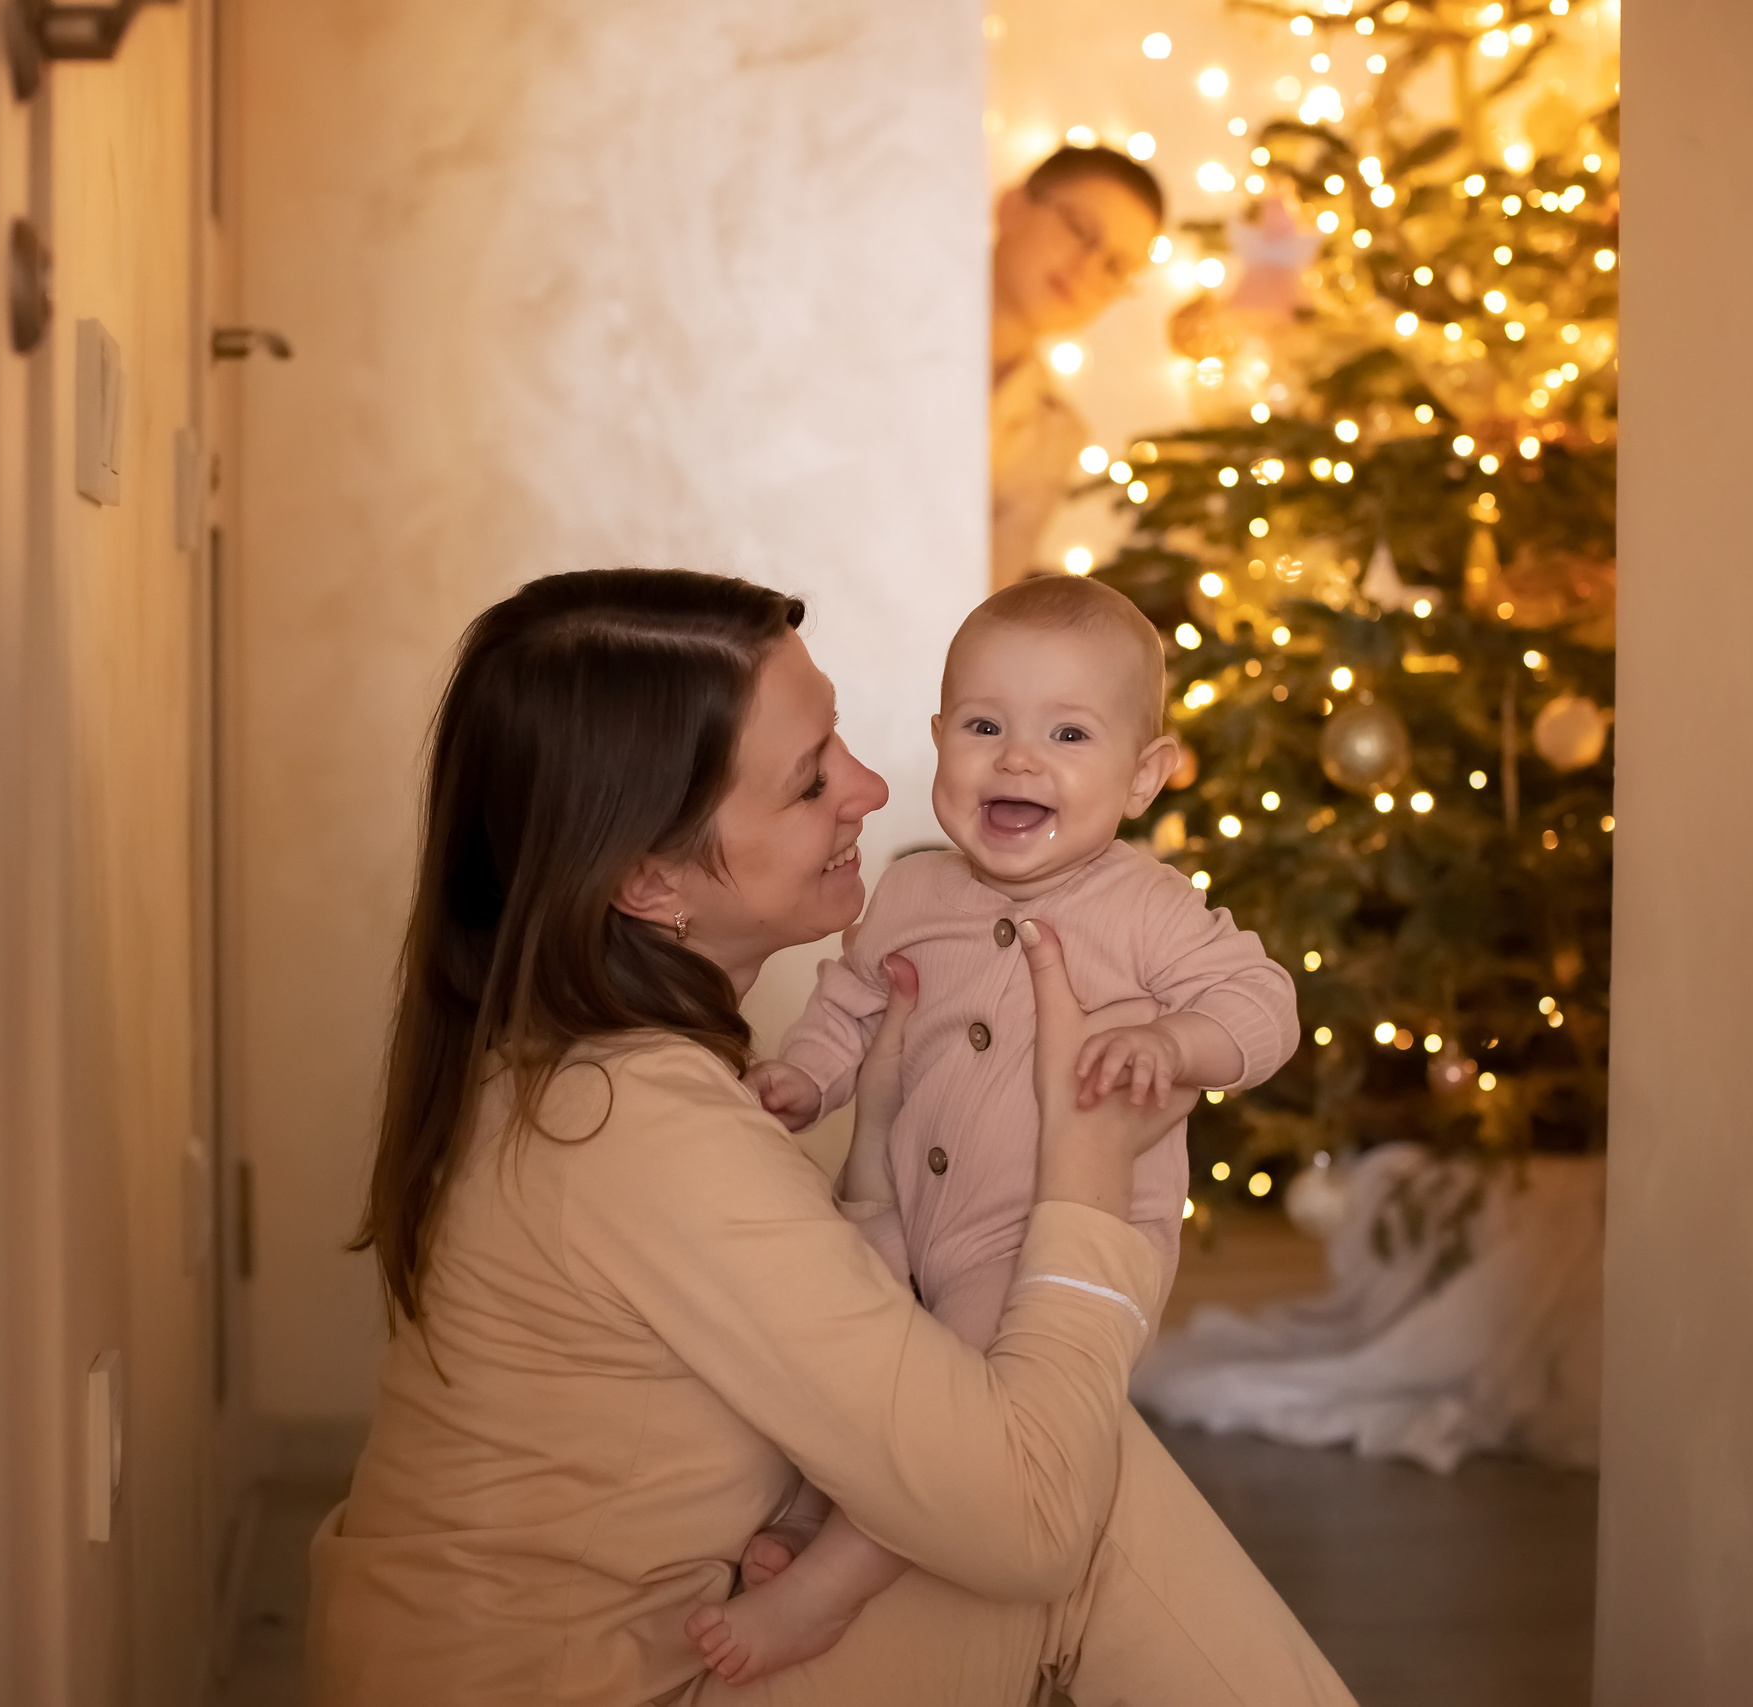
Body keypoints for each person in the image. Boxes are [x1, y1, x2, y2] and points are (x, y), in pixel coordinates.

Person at [310, 569, 1351, 1706]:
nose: (868, 787)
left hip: (561, 1657)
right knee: (1072, 1487)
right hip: (598, 1687)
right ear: (649, 880)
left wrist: (877, 1159)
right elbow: (1032, 1517)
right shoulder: (637, 1128)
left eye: (841, 741)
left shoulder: (577, 1070)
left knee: (1029, 1450)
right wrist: (1088, 1170)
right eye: (811, 779)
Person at [690, 574, 1297, 1683]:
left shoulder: (1146, 908)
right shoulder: (912, 892)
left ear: (1145, 774)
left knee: (962, 1417)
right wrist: (806, 1079)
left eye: (1068, 734)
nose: (1018, 760)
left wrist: (1173, 1043)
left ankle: (830, 1587)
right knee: (854, 1370)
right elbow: (852, 1000)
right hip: (902, 1217)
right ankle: (815, 1513)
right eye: (983, 727)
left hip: (1044, 1244)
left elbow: (1264, 1006)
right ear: (938, 740)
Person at [990, 147, 1166, 588]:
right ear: (1013, 206)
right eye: (1080, 230)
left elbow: (981, 599)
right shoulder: (884, 309)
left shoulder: (1056, 436)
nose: (1086, 269)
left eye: (1114, 267)